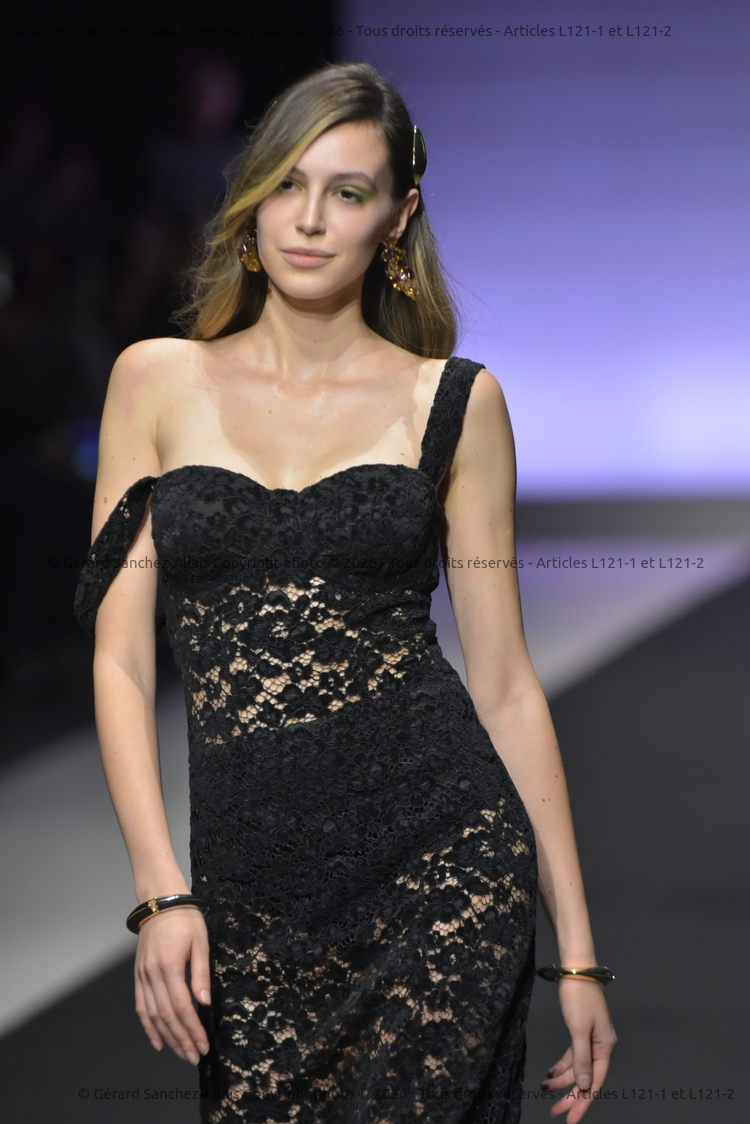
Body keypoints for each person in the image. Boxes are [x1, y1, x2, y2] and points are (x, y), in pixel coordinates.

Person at [74, 60, 616, 1123]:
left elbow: (505, 684)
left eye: (348, 191)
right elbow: (120, 656)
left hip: (443, 863)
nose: (310, 218)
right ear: (252, 196)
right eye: (287, 182)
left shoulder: (453, 401)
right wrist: (159, 889)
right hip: (249, 889)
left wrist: (580, 957)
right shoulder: (155, 381)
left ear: (397, 216)